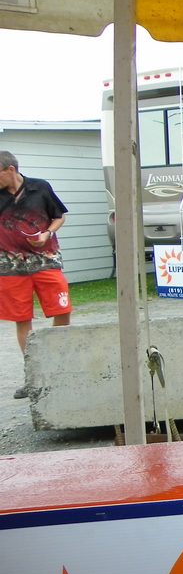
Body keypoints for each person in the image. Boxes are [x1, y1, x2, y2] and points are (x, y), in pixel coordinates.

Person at [0, 151, 73, 399]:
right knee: (22, 319)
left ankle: (58, 368)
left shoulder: (40, 187)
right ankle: (35, 375)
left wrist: (47, 234)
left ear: (10, 170)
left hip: (46, 261)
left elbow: (59, 217)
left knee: (62, 311)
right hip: (10, 267)